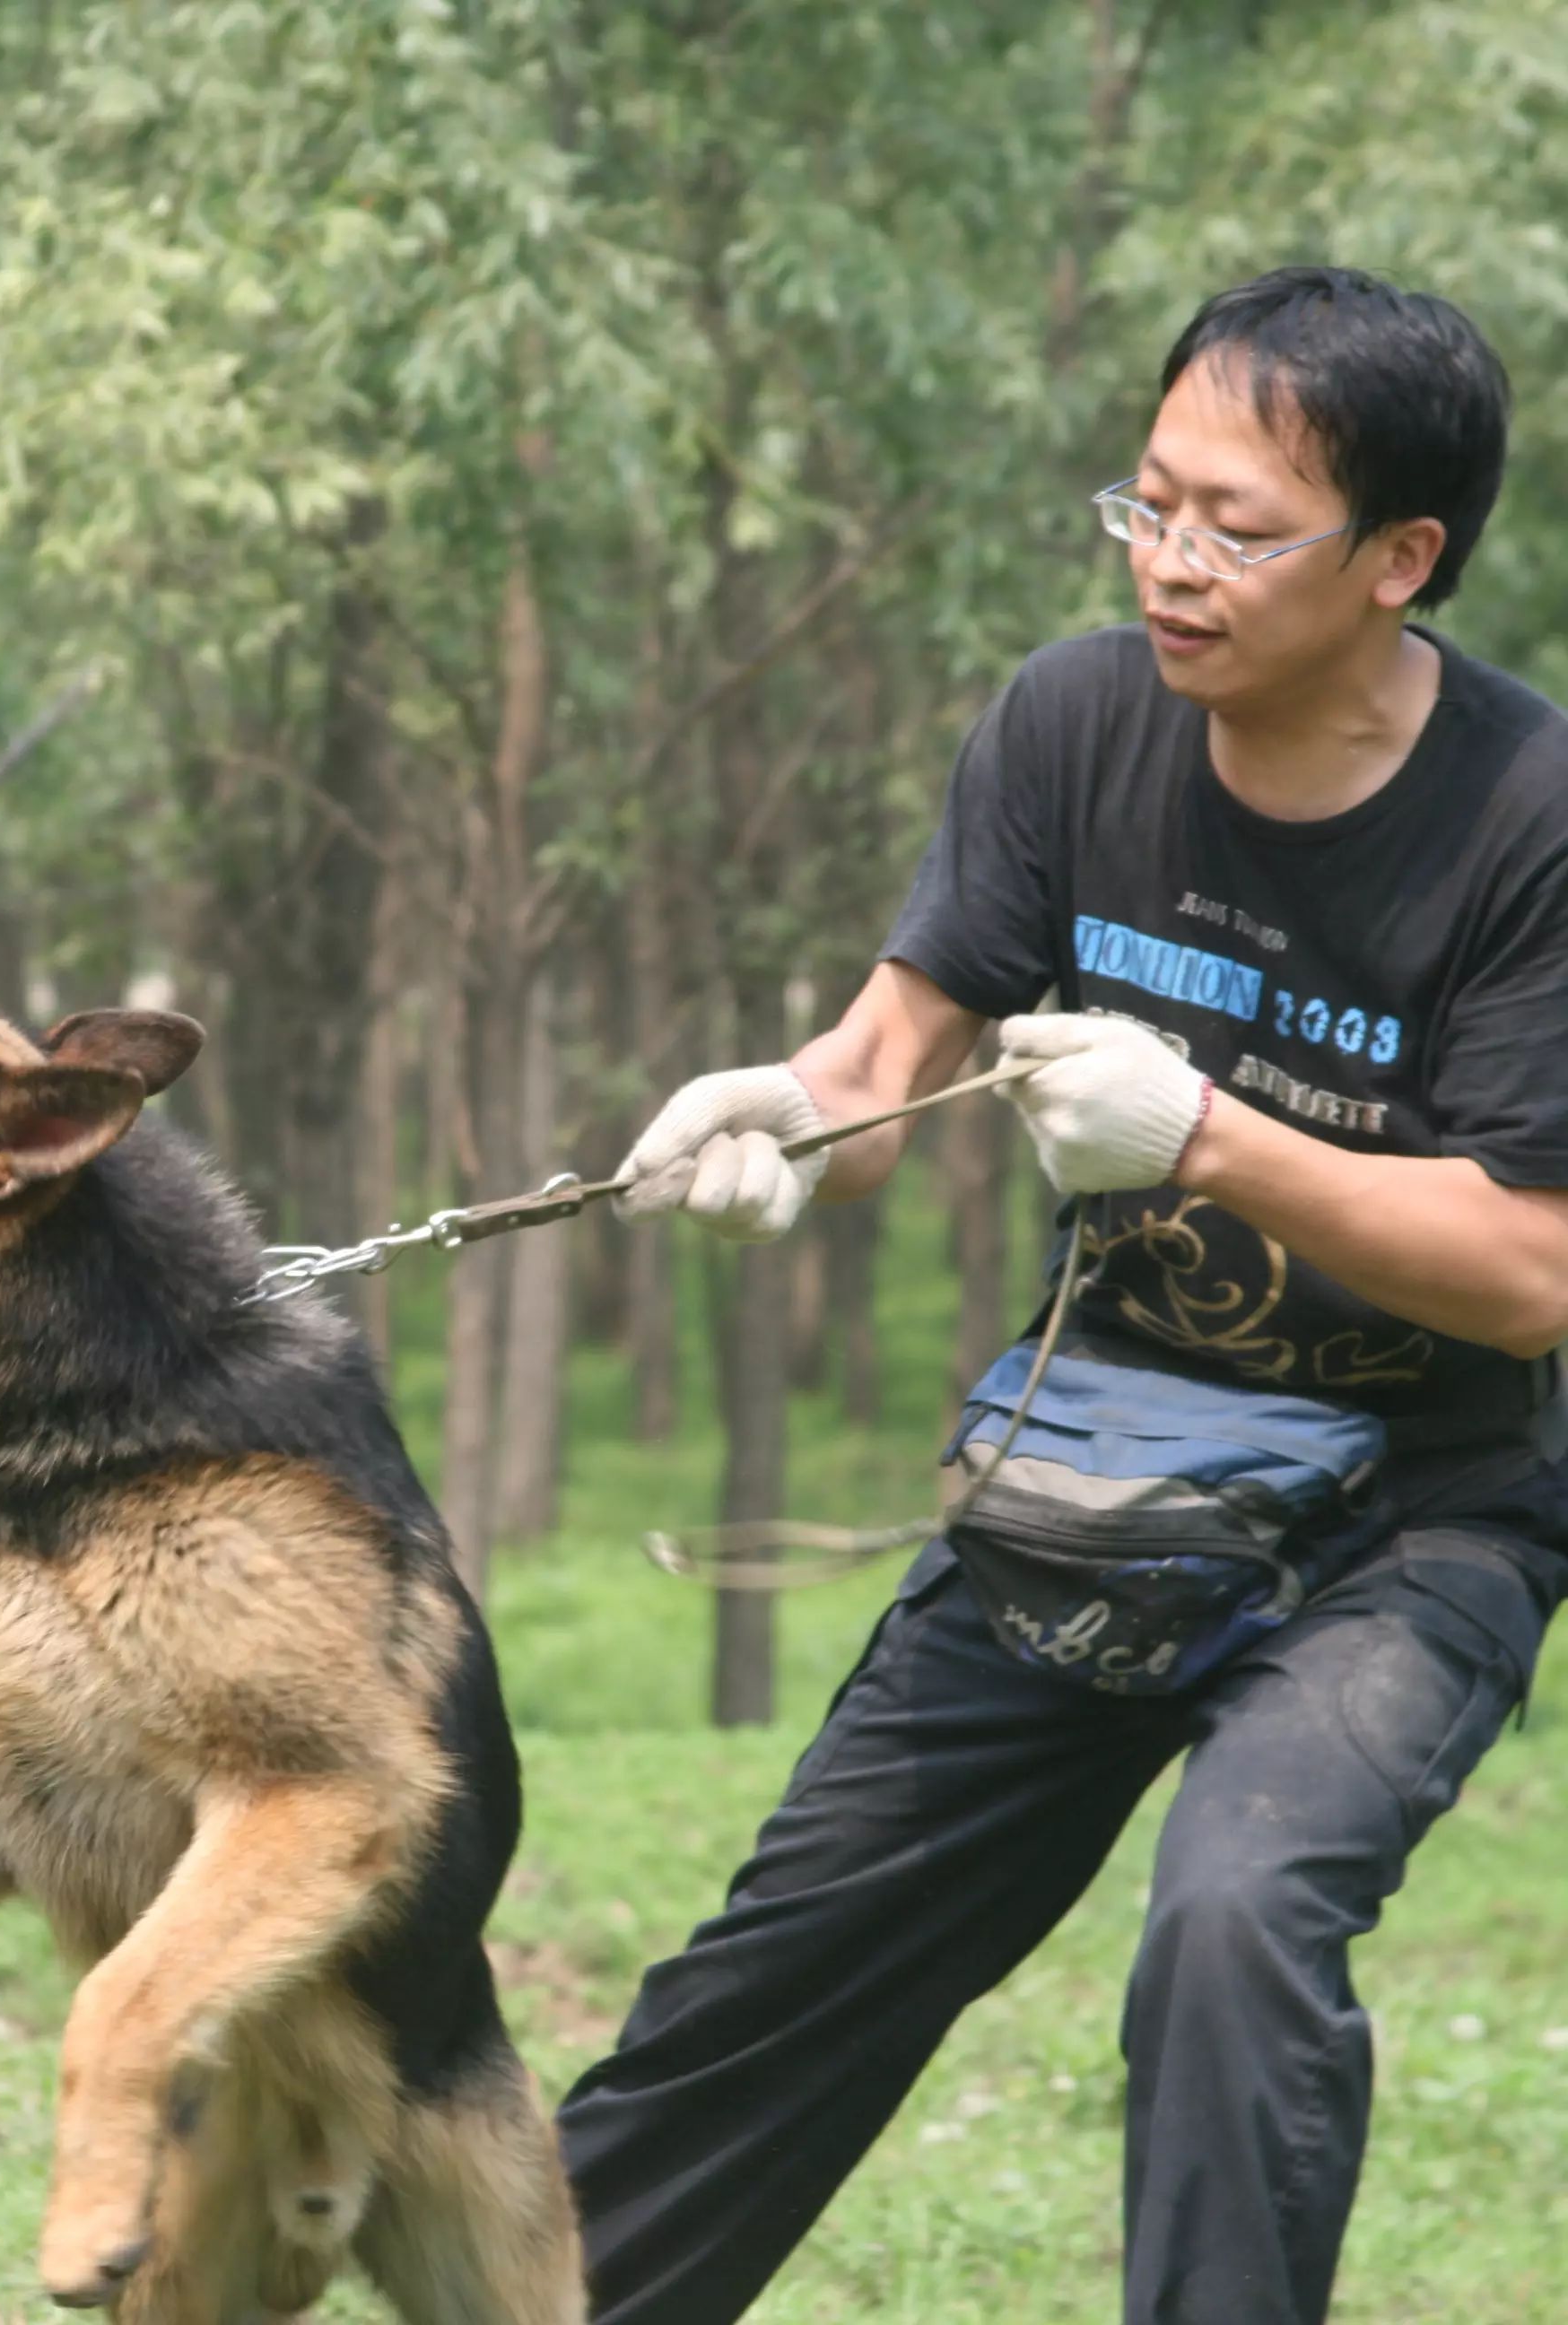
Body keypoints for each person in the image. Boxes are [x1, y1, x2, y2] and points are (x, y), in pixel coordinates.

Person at [569, 266, 1568, 2325]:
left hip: (1419, 1508)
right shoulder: (1073, 719)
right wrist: (775, 1119)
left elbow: (1532, 1273)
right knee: (793, 1957)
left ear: (1404, 560)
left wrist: (1201, 1133)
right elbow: (881, 1063)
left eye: (1241, 530)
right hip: (1109, 1452)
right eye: (1149, 505)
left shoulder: (1530, 821)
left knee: (1235, 1921)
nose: (1175, 568)